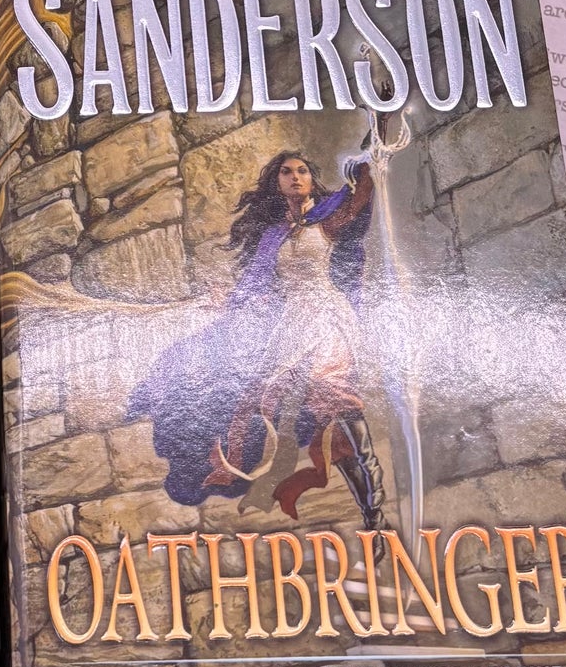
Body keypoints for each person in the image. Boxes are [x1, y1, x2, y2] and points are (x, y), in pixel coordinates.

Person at [130, 147, 385, 528]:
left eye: (302, 171)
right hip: (292, 323)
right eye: (287, 172)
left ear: (311, 179)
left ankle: (373, 503)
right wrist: (226, 301)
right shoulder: (273, 237)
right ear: (277, 183)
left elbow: (359, 198)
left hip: (327, 316)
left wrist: (367, 160)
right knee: (259, 395)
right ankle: (370, 512)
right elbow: (253, 286)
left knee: (330, 390)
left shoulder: (326, 221)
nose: (295, 177)